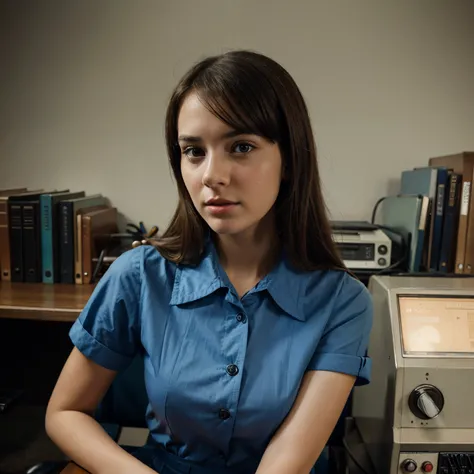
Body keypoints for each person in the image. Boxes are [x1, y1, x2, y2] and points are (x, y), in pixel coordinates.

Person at [45, 50, 373, 474]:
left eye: (240, 147)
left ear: (289, 159)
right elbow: (65, 412)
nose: (211, 176)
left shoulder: (343, 302)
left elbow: (287, 460)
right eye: (193, 151)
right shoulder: (139, 276)